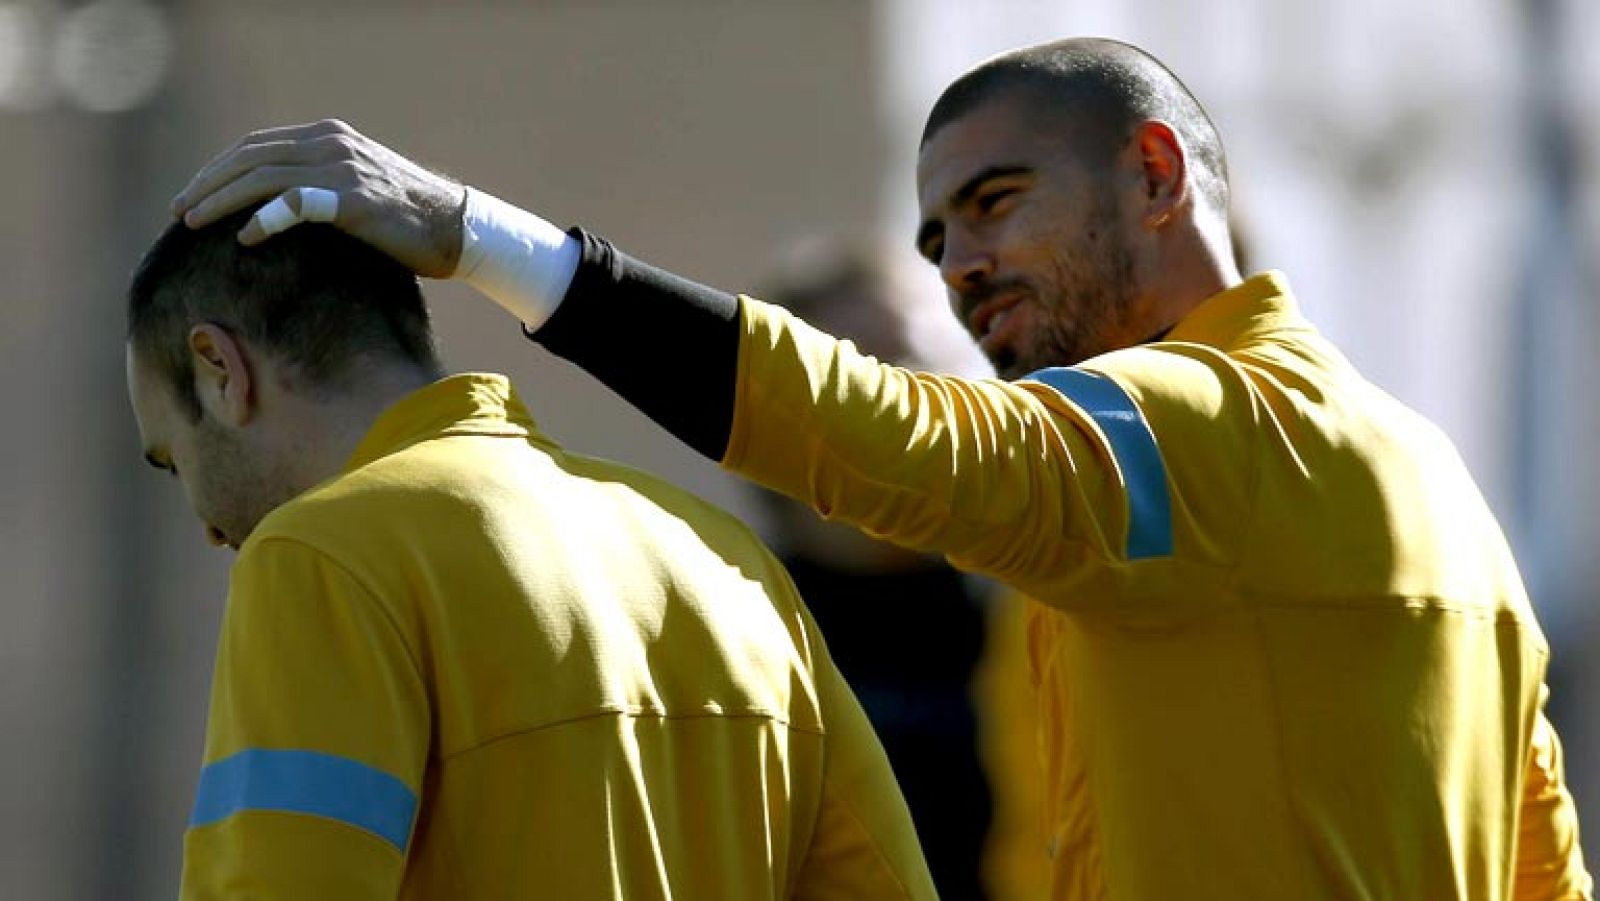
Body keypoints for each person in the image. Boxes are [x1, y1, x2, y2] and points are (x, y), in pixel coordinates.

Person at [170, 36, 1592, 900]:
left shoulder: (1194, 431)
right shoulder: (1436, 480)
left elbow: (881, 436)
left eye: (996, 202)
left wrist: (484, 239)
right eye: (935, 239)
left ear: (1157, 175)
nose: (962, 266)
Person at [124, 210, 937, 898]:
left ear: (220, 367)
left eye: (171, 460)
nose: (207, 527)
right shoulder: (729, 560)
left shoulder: (317, 556)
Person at [755, 241, 994, 899]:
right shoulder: (731, 632)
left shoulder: (1038, 615)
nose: (899, 410)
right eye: (864, 377)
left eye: (921, 368)